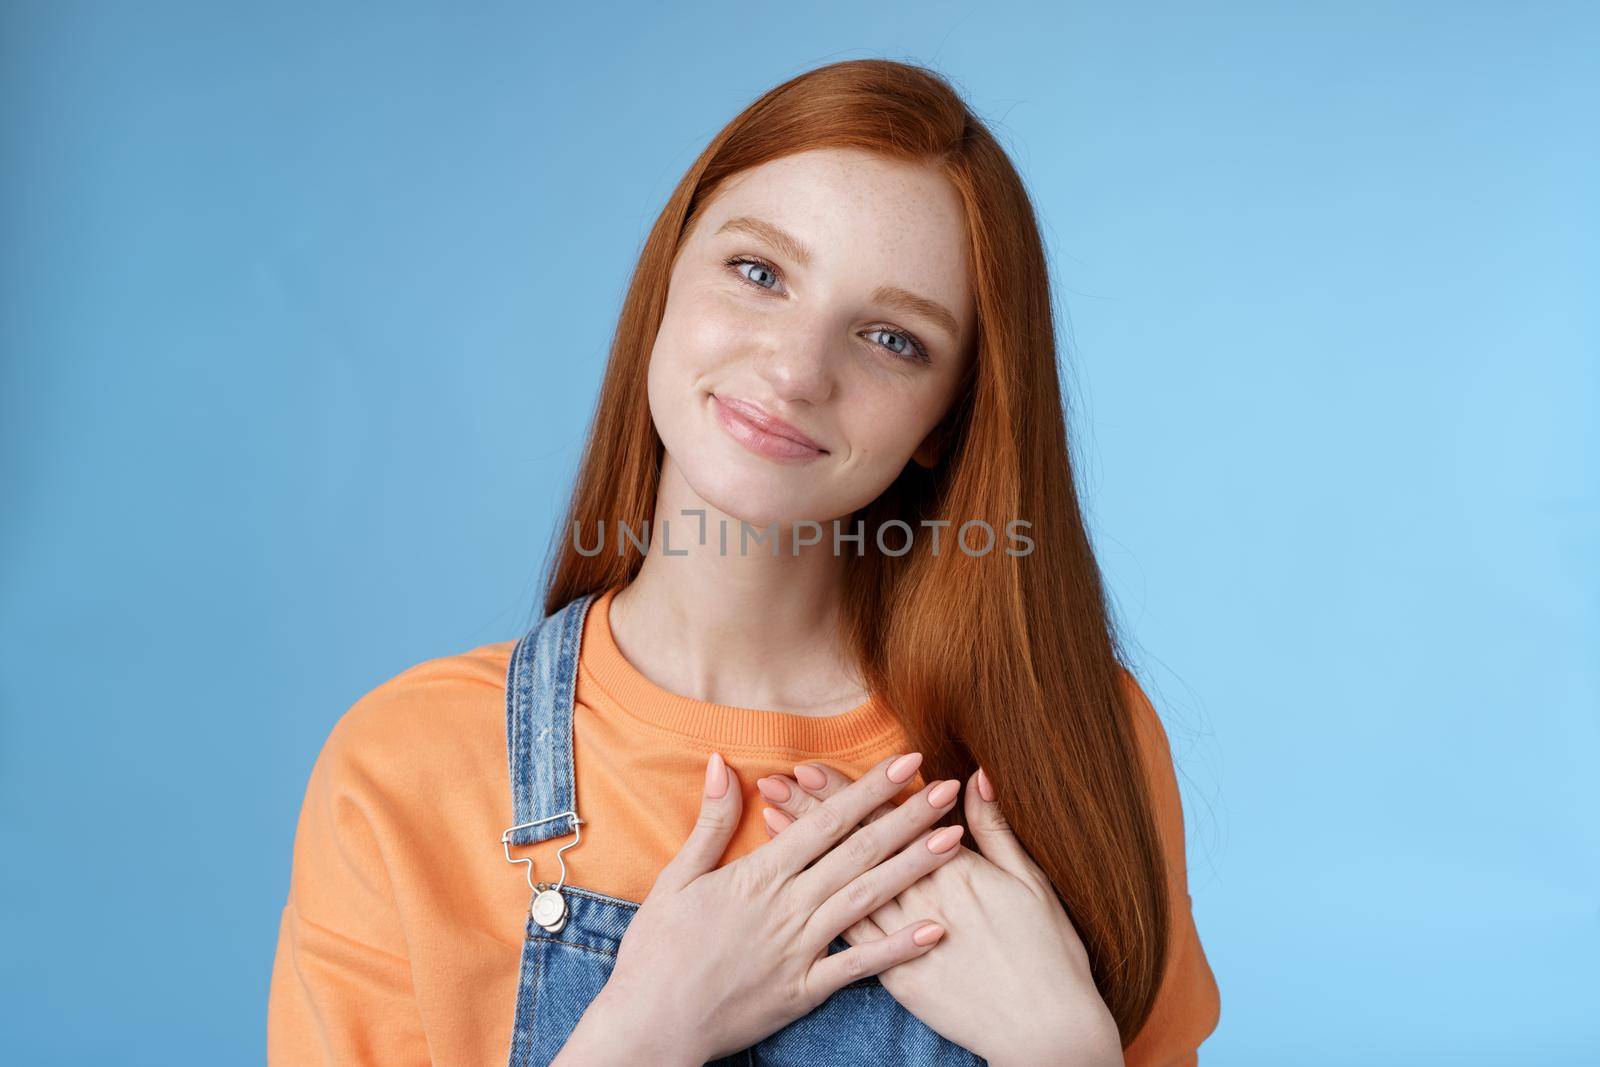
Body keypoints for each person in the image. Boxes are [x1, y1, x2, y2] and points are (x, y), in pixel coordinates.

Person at [268, 58, 1221, 1066]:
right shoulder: (409, 768)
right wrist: (642, 1036)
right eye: (759, 272)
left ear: (947, 419)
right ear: (666, 278)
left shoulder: (1072, 738)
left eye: (893, 338)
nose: (796, 369)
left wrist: (1065, 1048)